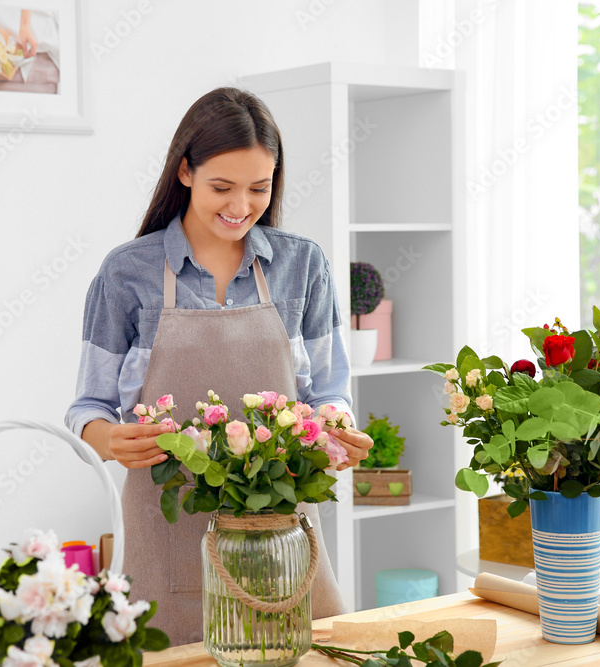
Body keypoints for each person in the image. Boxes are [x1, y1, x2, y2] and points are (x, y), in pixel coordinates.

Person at [64, 87, 374, 646]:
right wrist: (111, 439)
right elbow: (87, 408)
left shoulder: (302, 265)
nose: (241, 206)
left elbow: (329, 387)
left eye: (260, 188)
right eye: (222, 187)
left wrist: (335, 424)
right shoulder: (126, 274)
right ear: (185, 171)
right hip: (165, 530)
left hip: (280, 527)